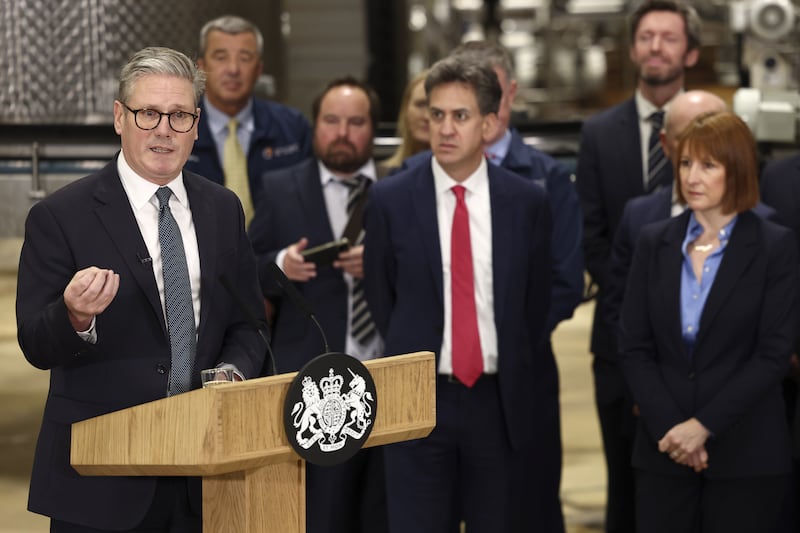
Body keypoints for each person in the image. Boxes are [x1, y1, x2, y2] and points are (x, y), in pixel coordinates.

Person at [16, 47, 266, 532]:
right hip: (101, 479)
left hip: (205, 471)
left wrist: (232, 374)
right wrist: (74, 316)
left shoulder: (222, 208)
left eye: (179, 115)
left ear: (196, 125)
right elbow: (34, 343)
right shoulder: (60, 216)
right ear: (119, 117)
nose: (163, 129)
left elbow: (249, 322)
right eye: (148, 112)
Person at [364, 55, 554, 532]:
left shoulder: (526, 202)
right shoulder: (390, 198)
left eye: (461, 116)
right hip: (420, 399)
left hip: (497, 401)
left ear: (489, 124)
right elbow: (381, 295)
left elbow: (533, 305)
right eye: (436, 114)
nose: (445, 128)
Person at [619, 111, 797, 533]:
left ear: (736, 170)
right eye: (685, 164)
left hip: (745, 454)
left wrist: (703, 427)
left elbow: (772, 356)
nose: (692, 177)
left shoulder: (776, 246)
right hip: (664, 451)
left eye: (708, 165)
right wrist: (675, 432)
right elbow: (633, 347)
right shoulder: (653, 241)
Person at [574, 2, 702, 530]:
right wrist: (644, 298)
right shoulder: (599, 133)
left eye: (668, 38)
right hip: (617, 342)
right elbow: (592, 233)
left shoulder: (719, 127)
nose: (656, 47)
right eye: (646, 36)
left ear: (690, 51)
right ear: (631, 49)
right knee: (627, 486)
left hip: (704, 342)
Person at [247, 76, 387, 533]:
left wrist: (383, 265)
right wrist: (279, 263)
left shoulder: (399, 189)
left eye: (355, 122)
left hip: (391, 376)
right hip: (312, 387)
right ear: (315, 126)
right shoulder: (280, 186)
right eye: (331, 120)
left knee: (385, 511)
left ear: (373, 128)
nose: (342, 132)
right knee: (322, 515)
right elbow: (242, 272)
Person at [186, 15, 312, 226]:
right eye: (220, 57)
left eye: (244, 58)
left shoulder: (292, 128)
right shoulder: (179, 127)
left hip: (279, 256)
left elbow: (310, 205)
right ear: (201, 67)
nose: (233, 69)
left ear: (258, 70)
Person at [380, 69, 430, 171]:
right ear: (405, 109)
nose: (427, 116)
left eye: (436, 109)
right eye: (420, 104)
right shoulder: (382, 177)